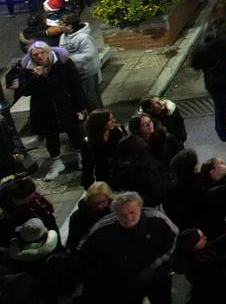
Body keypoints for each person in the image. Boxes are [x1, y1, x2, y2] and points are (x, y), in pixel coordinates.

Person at [78, 192, 179, 304]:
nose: (128, 218)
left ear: (140, 208)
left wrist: (159, 263)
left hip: (157, 276)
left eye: (132, 212)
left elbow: (174, 237)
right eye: (122, 215)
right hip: (126, 282)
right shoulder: (103, 227)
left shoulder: (157, 218)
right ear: (115, 213)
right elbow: (82, 247)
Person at [9, 40, 87, 181]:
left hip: (65, 103)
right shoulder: (28, 68)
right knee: (51, 135)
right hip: (44, 108)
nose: (39, 57)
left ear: (48, 52)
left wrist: (81, 106)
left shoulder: (63, 63)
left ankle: (81, 155)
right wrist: (35, 77)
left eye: (42, 53)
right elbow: (24, 91)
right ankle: (56, 162)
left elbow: (75, 85)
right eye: (35, 55)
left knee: (73, 130)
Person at [191, 0, 226, 141]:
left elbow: (196, 63)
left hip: (212, 81)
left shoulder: (205, 37)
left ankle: (223, 133)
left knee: (220, 107)